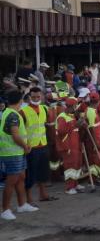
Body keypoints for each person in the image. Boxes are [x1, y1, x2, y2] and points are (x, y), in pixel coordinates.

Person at [0, 90, 38, 220]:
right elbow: (15, 135)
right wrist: (25, 146)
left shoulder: (10, 113)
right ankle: (5, 209)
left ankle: (22, 205)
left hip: (17, 152)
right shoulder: (13, 115)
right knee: (11, 181)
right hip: (12, 152)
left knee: (21, 177)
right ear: (20, 100)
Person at [20, 87, 51, 203]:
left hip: (43, 144)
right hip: (31, 148)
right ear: (29, 97)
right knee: (30, 174)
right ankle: (28, 199)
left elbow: (45, 125)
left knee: (43, 172)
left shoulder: (44, 109)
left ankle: (43, 195)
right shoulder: (23, 111)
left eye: (38, 96)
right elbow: (19, 130)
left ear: (42, 96)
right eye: (33, 97)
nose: (36, 99)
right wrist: (24, 146)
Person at [56, 97, 85, 195]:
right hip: (67, 146)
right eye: (75, 106)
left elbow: (74, 129)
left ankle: (75, 184)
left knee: (76, 165)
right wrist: (75, 125)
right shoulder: (62, 117)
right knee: (70, 167)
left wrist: (80, 124)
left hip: (75, 145)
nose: (76, 108)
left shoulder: (71, 115)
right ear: (72, 106)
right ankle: (69, 187)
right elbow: (61, 131)